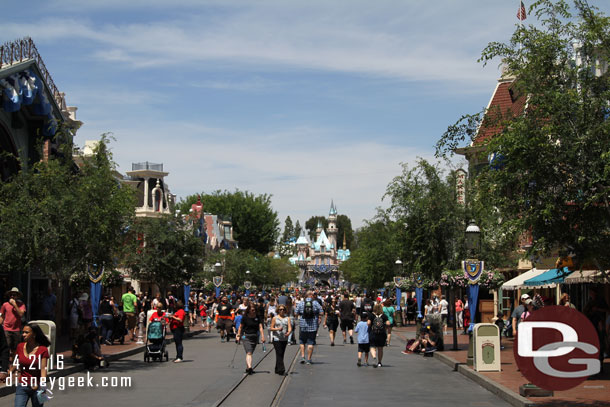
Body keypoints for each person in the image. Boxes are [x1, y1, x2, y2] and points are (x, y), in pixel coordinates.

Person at [9, 323, 50, 407]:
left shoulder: (43, 349)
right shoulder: (20, 346)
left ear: (34, 334)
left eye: (26, 332)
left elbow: (43, 369)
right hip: (22, 385)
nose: (23, 334)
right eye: (23, 332)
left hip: (38, 386)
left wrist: (42, 386)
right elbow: (16, 363)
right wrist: (8, 373)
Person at [236, 303, 265, 375]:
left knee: (250, 352)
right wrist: (238, 335)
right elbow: (240, 327)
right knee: (249, 352)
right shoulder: (245, 317)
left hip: (255, 336)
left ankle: (247, 367)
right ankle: (249, 367)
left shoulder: (257, 317)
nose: (253, 311)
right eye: (252, 310)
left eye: (254, 310)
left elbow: (260, 327)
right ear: (248, 310)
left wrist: (262, 336)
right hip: (246, 336)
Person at [295, 291, 323, 365]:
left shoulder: (301, 303)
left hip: (303, 325)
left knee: (302, 341)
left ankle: (303, 357)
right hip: (313, 326)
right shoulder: (315, 303)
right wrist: (316, 314)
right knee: (310, 342)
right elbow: (322, 312)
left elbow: (296, 312)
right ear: (311, 296)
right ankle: (309, 359)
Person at [0, 287, 26, 362]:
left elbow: (21, 314)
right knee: (6, 347)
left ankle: (14, 364)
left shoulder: (21, 305)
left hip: (16, 329)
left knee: (15, 348)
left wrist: (15, 305)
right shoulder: (5, 305)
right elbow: (2, 316)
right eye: (11, 295)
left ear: (17, 296)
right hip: (6, 329)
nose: (12, 296)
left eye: (14, 295)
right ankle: (6, 363)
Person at [270, 305, 292, 375]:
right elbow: (271, 328)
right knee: (279, 353)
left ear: (285, 310)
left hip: (284, 338)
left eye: (283, 309)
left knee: (281, 354)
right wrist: (277, 329)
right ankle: (281, 369)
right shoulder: (274, 318)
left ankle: (277, 368)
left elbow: (290, 327)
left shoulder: (287, 318)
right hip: (276, 338)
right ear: (278, 310)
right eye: (280, 309)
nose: (282, 311)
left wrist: (288, 332)